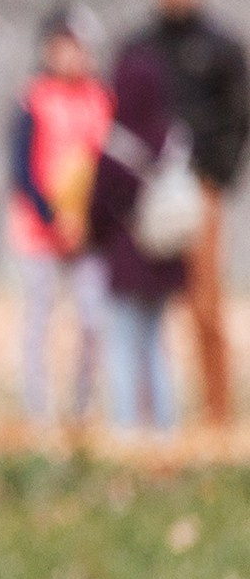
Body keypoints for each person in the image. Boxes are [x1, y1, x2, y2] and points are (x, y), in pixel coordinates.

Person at [124, 0, 247, 423]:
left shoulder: (221, 46)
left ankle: (218, 413)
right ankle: (147, 413)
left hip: (199, 188)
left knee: (206, 305)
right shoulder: (138, 47)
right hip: (144, 191)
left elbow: (239, 115)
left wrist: (216, 176)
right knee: (143, 301)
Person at [8, 11, 112, 425]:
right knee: (38, 322)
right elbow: (20, 168)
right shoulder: (33, 98)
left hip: (89, 232)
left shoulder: (102, 99)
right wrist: (54, 217)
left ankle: (83, 408)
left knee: (92, 320)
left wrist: (88, 219)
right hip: (39, 232)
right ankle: (39, 413)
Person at [91, 42, 190, 434]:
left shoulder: (117, 142)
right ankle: (166, 426)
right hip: (166, 259)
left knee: (122, 345)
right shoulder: (174, 138)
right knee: (156, 345)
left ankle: (126, 426)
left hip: (126, 257)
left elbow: (99, 206)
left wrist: (97, 238)